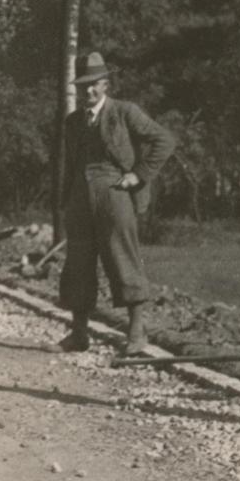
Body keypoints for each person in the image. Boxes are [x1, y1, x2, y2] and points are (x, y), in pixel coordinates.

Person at [55, 53, 175, 355]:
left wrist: (138, 175)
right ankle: (79, 333)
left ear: (106, 84)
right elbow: (69, 164)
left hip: (115, 195)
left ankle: (136, 333)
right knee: (78, 265)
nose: (88, 92)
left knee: (122, 259)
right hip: (80, 199)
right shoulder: (72, 122)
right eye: (83, 86)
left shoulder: (124, 113)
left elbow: (164, 140)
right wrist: (66, 201)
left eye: (94, 85)